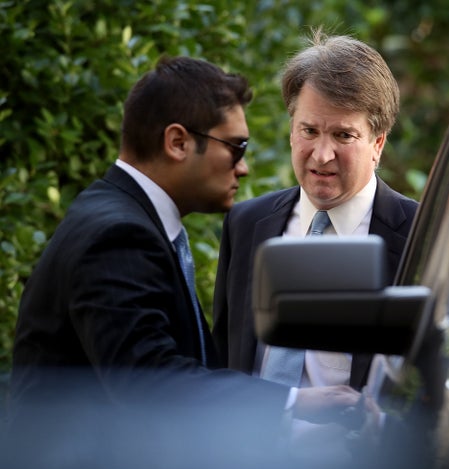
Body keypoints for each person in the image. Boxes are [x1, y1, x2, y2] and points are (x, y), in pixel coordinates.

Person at [9, 56, 359, 434]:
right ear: (177, 142)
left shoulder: (123, 216)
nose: (243, 167)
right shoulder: (118, 237)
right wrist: (293, 400)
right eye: (236, 147)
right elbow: (147, 382)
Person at [213, 29, 418, 395]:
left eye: (343, 136)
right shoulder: (246, 224)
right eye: (309, 130)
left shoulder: (420, 237)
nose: (322, 155)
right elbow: (224, 360)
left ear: (378, 143)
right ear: (291, 131)